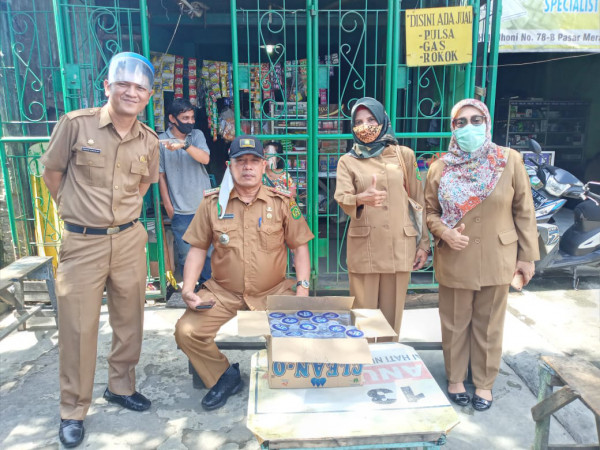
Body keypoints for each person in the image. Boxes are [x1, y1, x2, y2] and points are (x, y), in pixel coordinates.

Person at [41, 52, 158, 448]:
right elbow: (51, 173)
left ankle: (121, 387)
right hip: (83, 242)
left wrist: (122, 222)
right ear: (107, 86)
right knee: (78, 326)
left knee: (131, 319)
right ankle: (73, 409)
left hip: (128, 240)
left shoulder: (149, 140)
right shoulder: (76, 126)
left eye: (139, 87)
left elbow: (143, 188)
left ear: (148, 96)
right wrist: (75, 213)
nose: (131, 91)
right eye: (123, 83)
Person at [174, 135, 314, 410]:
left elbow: (299, 247)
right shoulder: (212, 204)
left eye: (254, 161)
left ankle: (283, 377)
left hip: (272, 291)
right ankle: (224, 376)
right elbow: (198, 249)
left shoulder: (283, 202)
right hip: (223, 292)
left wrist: (303, 289)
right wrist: (188, 288)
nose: (247, 167)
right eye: (241, 162)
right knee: (186, 331)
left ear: (264, 166)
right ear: (229, 166)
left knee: (297, 331)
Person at [424, 98, 539, 411]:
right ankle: (455, 378)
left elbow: (524, 210)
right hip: (455, 258)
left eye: (476, 120)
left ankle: (485, 382)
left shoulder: (509, 160)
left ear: (487, 123)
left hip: (497, 257)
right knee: (455, 322)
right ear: (452, 128)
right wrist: (443, 231)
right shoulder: (440, 167)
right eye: (461, 123)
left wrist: (526, 257)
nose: (469, 127)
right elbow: (430, 213)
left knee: (489, 324)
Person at [334, 97, 430, 337]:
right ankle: (364, 370)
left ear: (383, 120)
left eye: (370, 119)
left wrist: (424, 244)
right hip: (365, 248)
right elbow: (342, 196)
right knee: (364, 320)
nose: (365, 126)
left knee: (391, 319)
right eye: (358, 121)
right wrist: (360, 198)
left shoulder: (403, 155)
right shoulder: (348, 161)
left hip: (400, 246)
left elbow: (418, 201)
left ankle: (387, 368)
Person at [159, 98, 212, 283]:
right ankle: (192, 291)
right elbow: (161, 176)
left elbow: (205, 159)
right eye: (185, 117)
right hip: (180, 210)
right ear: (172, 118)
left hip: (204, 207)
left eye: (191, 117)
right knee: (186, 256)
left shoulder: (196, 136)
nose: (190, 121)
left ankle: (209, 291)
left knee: (208, 255)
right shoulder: (161, 142)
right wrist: (168, 206)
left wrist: (185, 145)